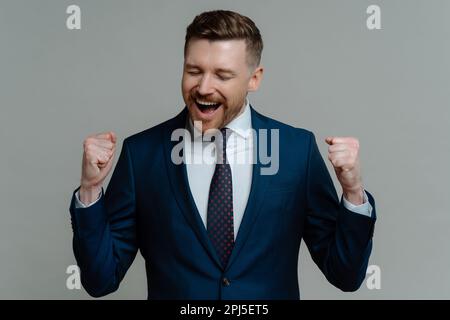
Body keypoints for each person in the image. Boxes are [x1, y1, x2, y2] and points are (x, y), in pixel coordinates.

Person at [69, 10, 376, 299]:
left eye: (222, 75)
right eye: (194, 71)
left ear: (254, 79)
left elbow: (345, 276)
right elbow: (100, 280)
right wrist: (90, 190)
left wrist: (353, 192)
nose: (203, 87)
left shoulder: (296, 151)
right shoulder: (142, 156)